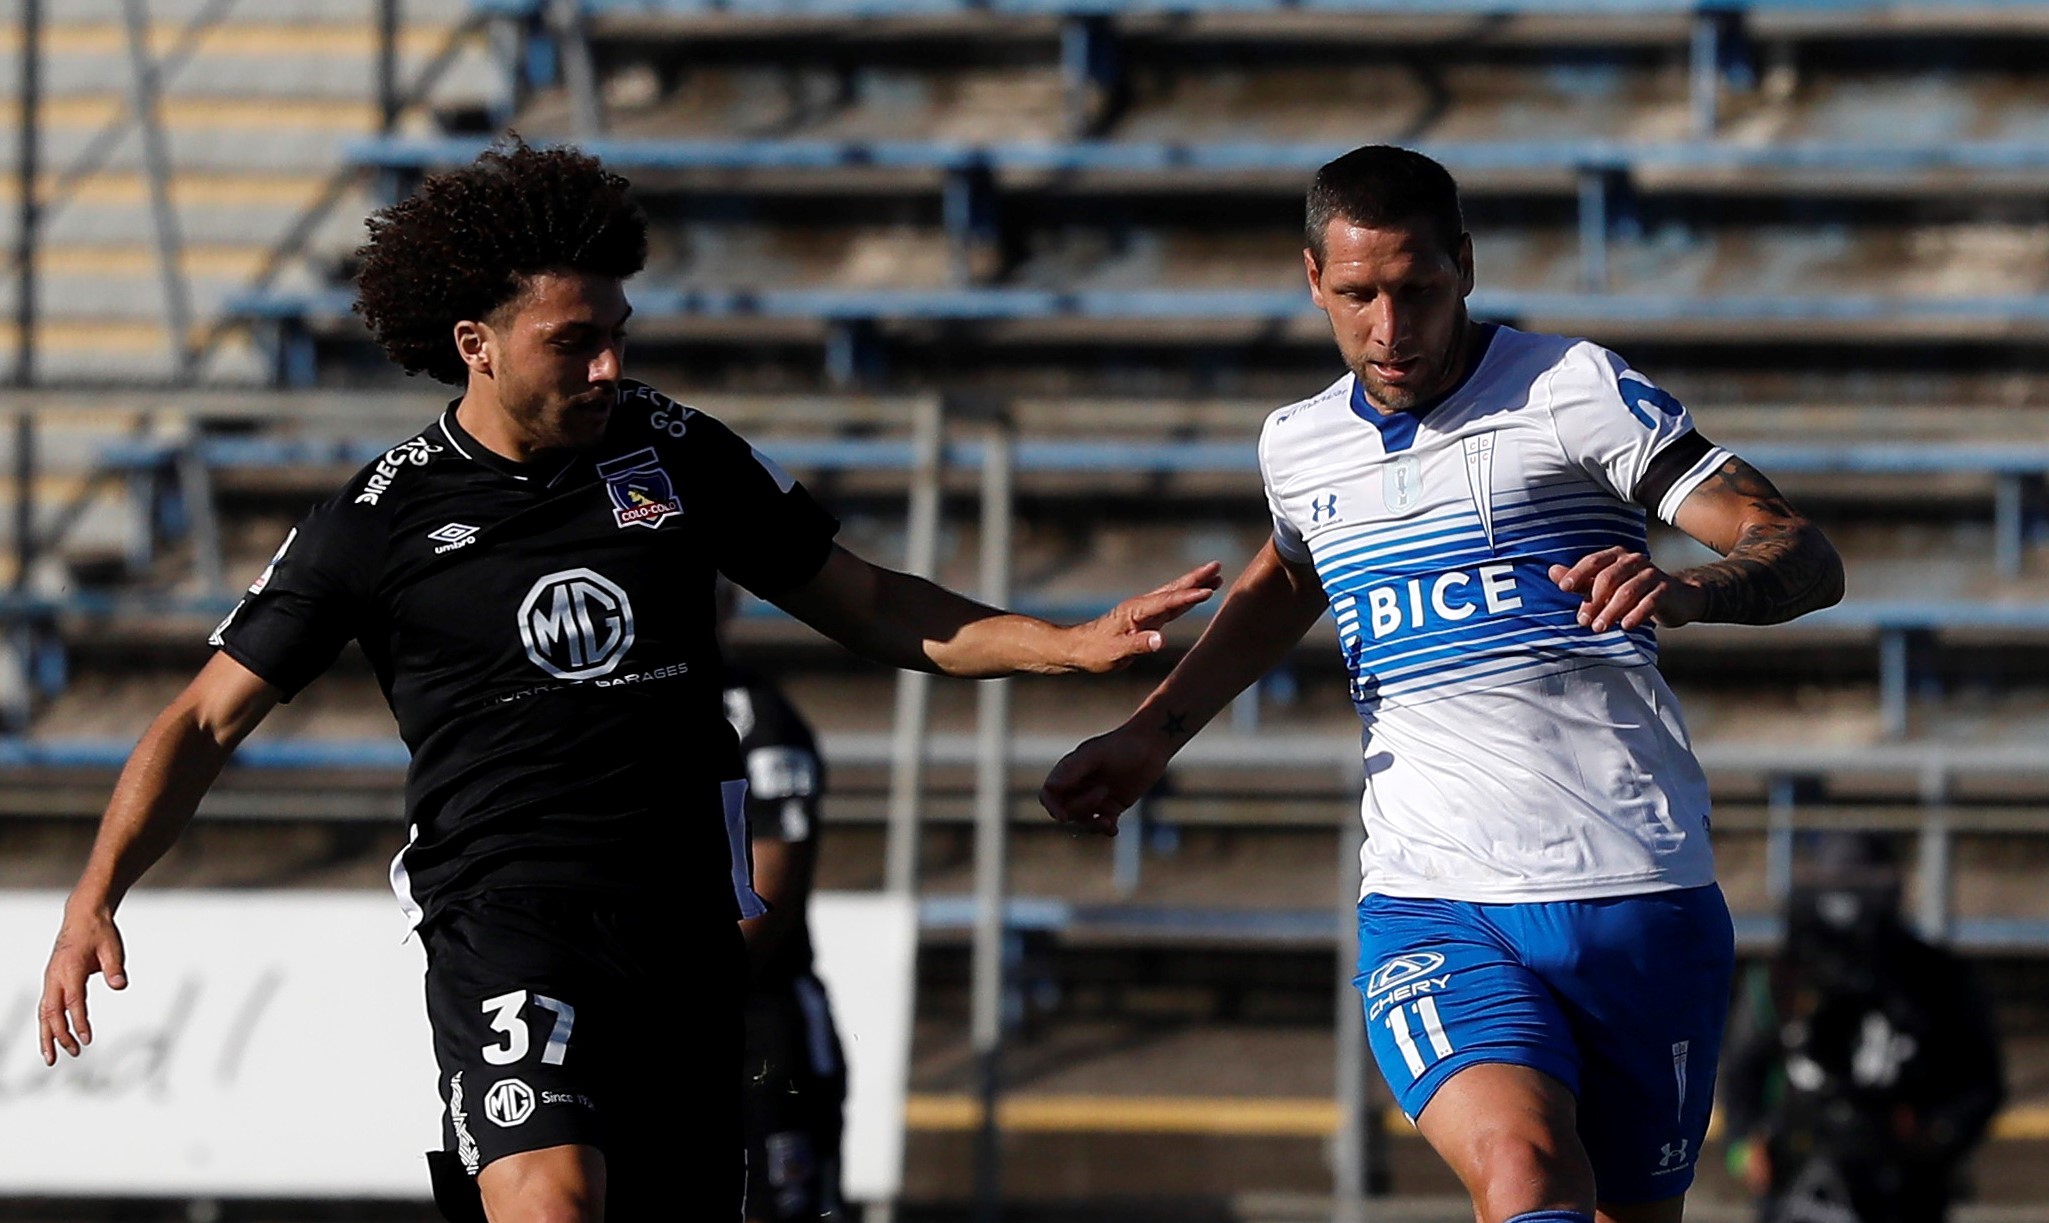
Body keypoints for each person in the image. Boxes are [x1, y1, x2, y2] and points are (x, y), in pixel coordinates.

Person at [35, 142, 1220, 1223]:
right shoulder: (379, 516)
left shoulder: (673, 448)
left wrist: (1062, 643)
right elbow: (202, 715)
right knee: (550, 1198)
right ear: (476, 344)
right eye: (573, 341)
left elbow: (864, 600)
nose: (609, 364)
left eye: (618, 332)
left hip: (685, 929)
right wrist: (96, 892)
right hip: (504, 916)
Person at [1040, 144, 1845, 1223]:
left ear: (1464, 264)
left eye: (1416, 290)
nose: (1390, 326)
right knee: (1522, 1173)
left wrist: (1690, 589)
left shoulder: (1572, 392)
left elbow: (1797, 549)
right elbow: (1290, 576)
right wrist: (1155, 730)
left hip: (1637, 889)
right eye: (1359, 294)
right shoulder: (1301, 445)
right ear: (1312, 280)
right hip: (1435, 897)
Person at [1720, 833, 2004, 1223]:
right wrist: (1744, 1146)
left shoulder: (1937, 978)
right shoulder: (1781, 979)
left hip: (1904, 1185)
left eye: (1860, 888)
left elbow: (1980, 1078)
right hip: (1797, 1175)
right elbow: (1740, 1073)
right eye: (1837, 888)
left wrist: (1936, 1132)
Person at [717, 585, 849, 1223]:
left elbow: (765, 897)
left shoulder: (758, 722)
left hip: (755, 1025)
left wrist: (661, 993)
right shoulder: (610, 711)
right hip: (647, 1019)